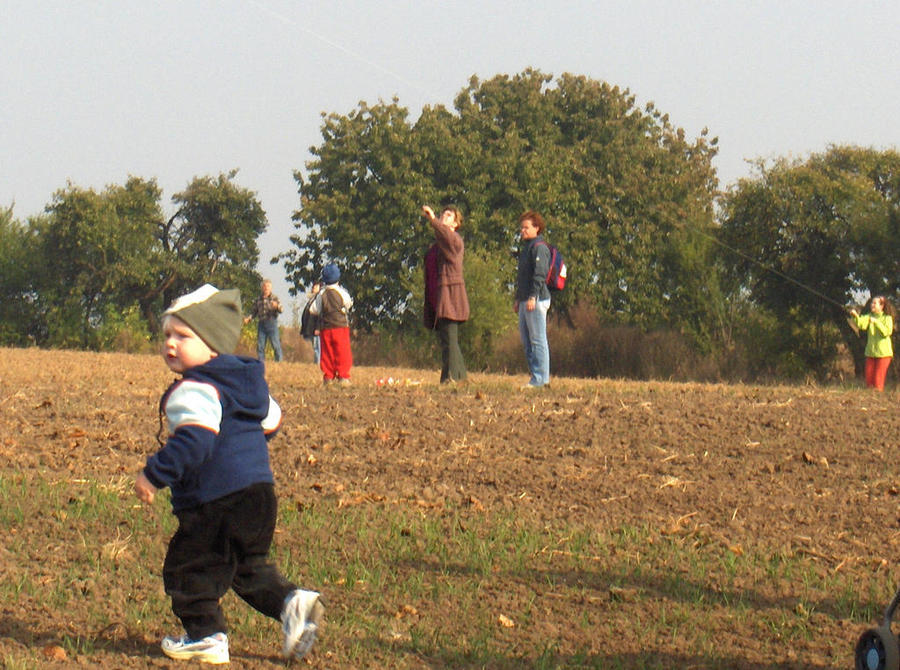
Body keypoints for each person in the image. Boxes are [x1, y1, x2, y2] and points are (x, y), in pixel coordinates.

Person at [134, 284, 324, 664]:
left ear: (213, 345)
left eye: (183, 336)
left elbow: (195, 441)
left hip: (217, 498)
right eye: (167, 334)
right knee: (246, 567)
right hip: (258, 494)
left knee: (188, 566)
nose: (170, 343)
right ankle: (292, 602)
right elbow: (272, 421)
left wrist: (154, 474)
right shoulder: (246, 382)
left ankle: (205, 635)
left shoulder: (195, 388)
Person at [421, 204, 470, 384]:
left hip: (450, 297)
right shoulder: (436, 246)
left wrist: (432, 219)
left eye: (449, 215)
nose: (444, 216)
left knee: (450, 339)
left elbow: (445, 236)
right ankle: (457, 377)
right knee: (447, 340)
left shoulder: (454, 241)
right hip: (438, 297)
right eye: (443, 214)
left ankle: (452, 377)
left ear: (456, 224)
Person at [514, 210, 552, 388]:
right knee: (527, 341)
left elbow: (539, 275)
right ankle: (535, 377)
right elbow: (522, 277)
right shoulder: (527, 248)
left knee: (537, 340)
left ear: (537, 228)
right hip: (524, 300)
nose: (522, 231)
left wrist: (532, 297)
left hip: (536, 300)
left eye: (526, 227)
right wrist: (518, 298)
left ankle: (540, 379)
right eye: (521, 228)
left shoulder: (540, 248)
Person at [309, 263, 353, 384]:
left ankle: (328, 376)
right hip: (341, 327)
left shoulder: (321, 294)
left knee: (327, 352)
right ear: (338, 278)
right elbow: (349, 304)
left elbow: (313, 309)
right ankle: (343, 376)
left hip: (326, 327)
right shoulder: (342, 292)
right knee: (342, 351)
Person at [850, 295, 895, 391]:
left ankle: (878, 397)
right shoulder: (869, 316)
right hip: (870, 353)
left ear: (882, 306)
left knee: (878, 382)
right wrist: (855, 316)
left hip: (883, 354)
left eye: (875, 303)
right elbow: (861, 324)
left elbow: (887, 332)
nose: (872, 305)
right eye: (872, 303)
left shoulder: (887, 318)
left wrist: (876, 322)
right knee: (869, 382)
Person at [244, 279, 283, 362]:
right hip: (261, 323)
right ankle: (261, 362)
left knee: (275, 344)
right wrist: (248, 318)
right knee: (260, 345)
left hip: (271, 322)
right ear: (262, 288)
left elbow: (281, 310)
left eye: (268, 286)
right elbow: (254, 312)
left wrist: (277, 306)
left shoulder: (275, 298)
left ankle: (279, 362)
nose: (266, 288)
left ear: (271, 288)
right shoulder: (258, 299)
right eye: (264, 286)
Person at [300, 282, 322, 364]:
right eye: (313, 287)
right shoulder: (312, 299)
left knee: (317, 347)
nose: (313, 288)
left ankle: (318, 363)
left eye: (316, 287)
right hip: (310, 327)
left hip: (315, 328)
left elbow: (320, 315)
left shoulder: (319, 299)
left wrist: (318, 328)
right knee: (315, 347)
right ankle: (316, 362)